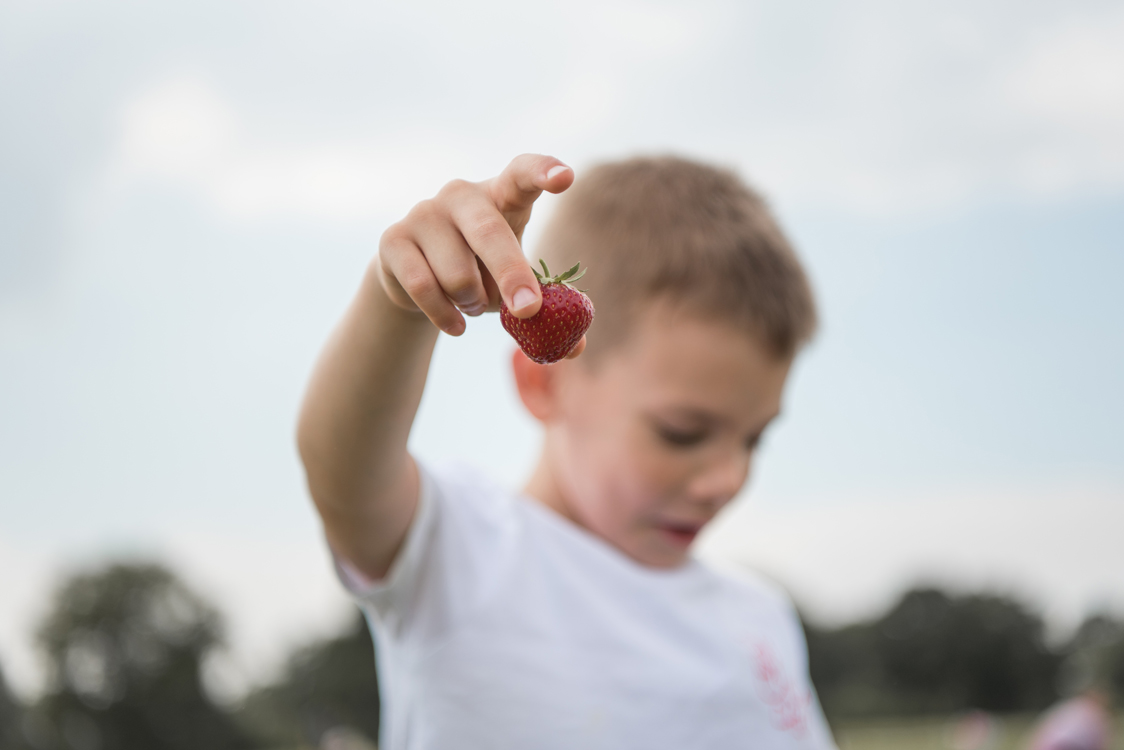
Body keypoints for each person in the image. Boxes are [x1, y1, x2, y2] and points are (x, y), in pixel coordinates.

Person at [297, 153, 836, 749]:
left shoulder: (761, 617)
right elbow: (342, 473)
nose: (728, 479)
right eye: (681, 433)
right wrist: (399, 305)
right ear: (544, 383)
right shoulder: (458, 552)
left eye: (754, 438)